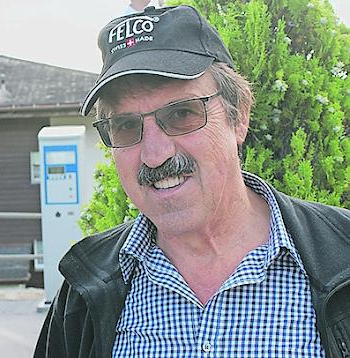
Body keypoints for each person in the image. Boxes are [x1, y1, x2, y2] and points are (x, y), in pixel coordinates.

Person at [35, 5, 350, 358]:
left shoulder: (343, 256)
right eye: (126, 126)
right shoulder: (82, 290)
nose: (155, 155)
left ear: (239, 117)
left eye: (182, 114)